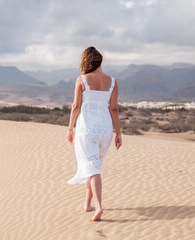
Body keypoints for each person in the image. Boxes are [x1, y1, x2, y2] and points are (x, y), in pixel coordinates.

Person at [66, 46, 122, 222]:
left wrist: (69, 128)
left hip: (86, 129)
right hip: (105, 130)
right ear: (100, 61)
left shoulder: (82, 79)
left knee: (93, 168)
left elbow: (76, 106)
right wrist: (119, 133)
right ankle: (87, 204)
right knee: (93, 167)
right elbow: (113, 109)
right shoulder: (112, 82)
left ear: (86, 61)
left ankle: (98, 207)